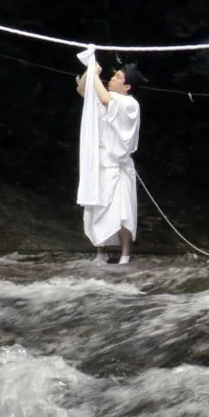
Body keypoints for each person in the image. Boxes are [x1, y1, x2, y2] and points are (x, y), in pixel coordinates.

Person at [75, 60, 142, 265]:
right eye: (113, 76)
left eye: (118, 77)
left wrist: (95, 74)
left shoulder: (129, 103)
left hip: (119, 165)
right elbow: (82, 90)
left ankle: (124, 255)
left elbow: (105, 99)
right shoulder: (108, 98)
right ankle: (101, 253)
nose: (112, 78)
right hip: (100, 163)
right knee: (98, 206)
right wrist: (90, 68)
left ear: (127, 86)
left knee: (122, 211)